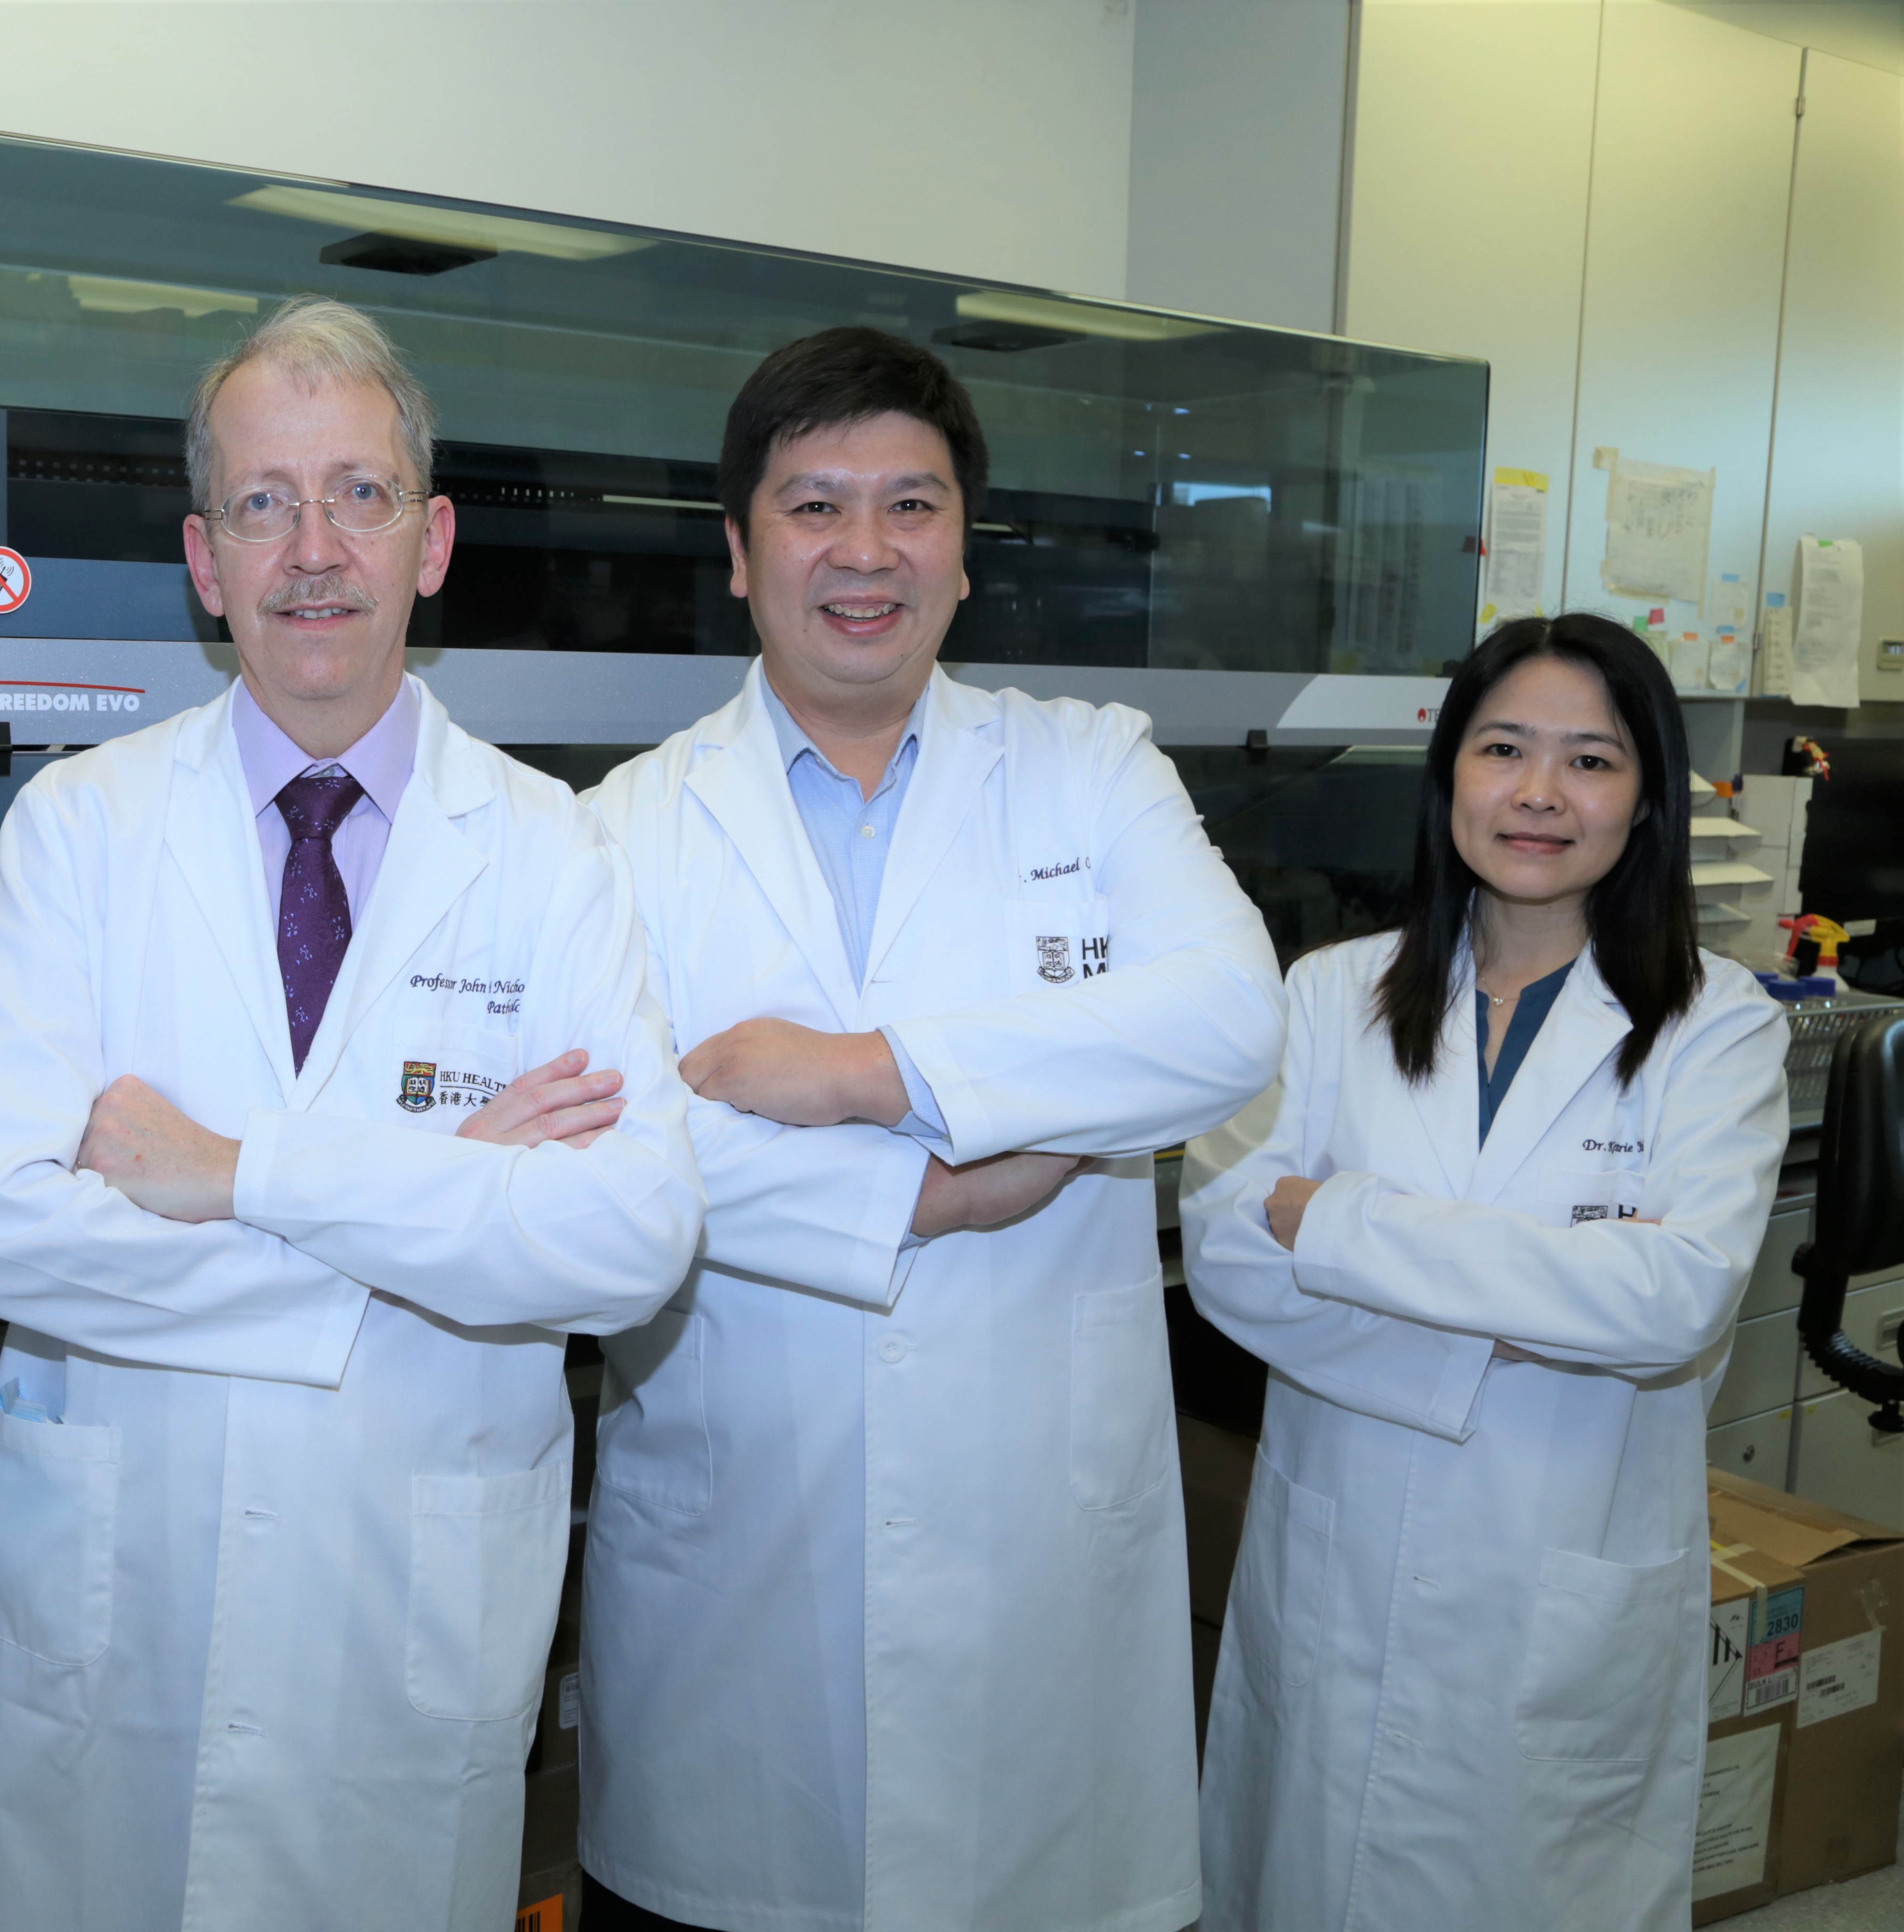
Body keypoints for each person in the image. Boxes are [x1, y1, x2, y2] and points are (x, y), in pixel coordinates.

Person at [0, 296, 703, 1932]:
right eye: (265, 502)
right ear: (206, 561)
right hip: (108, 1631)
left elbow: (631, 1240)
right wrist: (434, 1207)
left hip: (390, 1634)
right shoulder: (83, 829)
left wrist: (231, 1175)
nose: (314, 548)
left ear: (435, 540)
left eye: (360, 493)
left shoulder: (554, 852)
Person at [579, 327, 1285, 1932]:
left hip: (1034, 1570)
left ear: (967, 552)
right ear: (739, 551)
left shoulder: (1090, 768)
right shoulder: (619, 832)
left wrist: (862, 1072)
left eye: (913, 505)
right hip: (739, 1569)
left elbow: (1229, 1021)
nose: (866, 552)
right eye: (815, 505)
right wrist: (937, 1202)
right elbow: (609, 1157)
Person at [1181, 613, 1789, 1931]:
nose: (1539, 793)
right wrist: (1521, 1314)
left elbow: (1670, 1299)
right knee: (1305, 1881)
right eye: (1505, 748)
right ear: (1450, 770)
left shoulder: (1715, 1026)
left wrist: (1336, 1224)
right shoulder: (1327, 998)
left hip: (1556, 1570)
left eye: (1592, 760)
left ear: (1646, 801)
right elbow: (1227, 1248)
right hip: (1337, 1563)